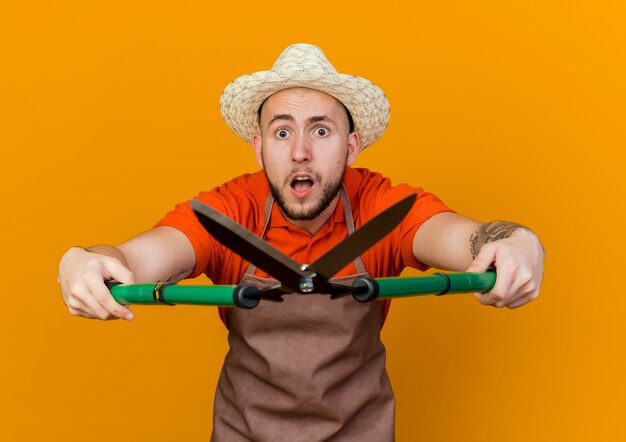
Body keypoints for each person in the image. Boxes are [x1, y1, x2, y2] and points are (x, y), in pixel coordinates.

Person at [58, 43, 544, 441]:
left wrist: (517, 243)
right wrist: (90, 262)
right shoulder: (229, 212)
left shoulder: (384, 208)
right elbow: (140, 257)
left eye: (321, 130)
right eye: (282, 131)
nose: (300, 152)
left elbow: (465, 238)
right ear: (259, 146)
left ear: (351, 146)